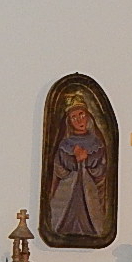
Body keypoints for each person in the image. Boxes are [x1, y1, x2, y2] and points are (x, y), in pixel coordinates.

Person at [47, 94, 110, 241]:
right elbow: (60, 168)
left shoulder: (96, 143)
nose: (79, 120)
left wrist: (87, 159)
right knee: (65, 216)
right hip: (68, 189)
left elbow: (101, 168)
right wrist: (74, 159)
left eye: (81, 115)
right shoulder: (65, 144)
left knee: (90, 215)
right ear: (69, 121)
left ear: (88, 116)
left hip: (89, 189)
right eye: (74, 117)